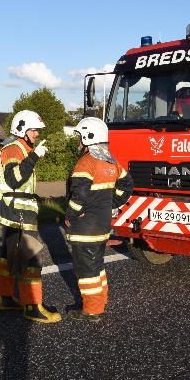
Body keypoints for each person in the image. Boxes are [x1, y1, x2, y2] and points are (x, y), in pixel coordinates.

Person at [0, 109, 61, 323]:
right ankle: (32, 306)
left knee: (8, 257)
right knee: (31, 259)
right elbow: (14, 179)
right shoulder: (14, 149)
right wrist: (34, 157)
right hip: (17, 210)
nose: (37, 134)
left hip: (12, 209)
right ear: (21, 129)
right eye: (34, 130)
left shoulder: (15, 147)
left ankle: (5, 298)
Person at [65, 117, 134, 322]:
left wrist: (70, 215)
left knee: (86, 269)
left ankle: (92, 310)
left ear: (87, 137)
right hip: (103, 225)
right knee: (96, 265)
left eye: (80, 137)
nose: (78, 141)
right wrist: (112, 204)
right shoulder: (111, 161)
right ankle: (100, 301)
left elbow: (80, 195)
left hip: (86, 227)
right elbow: (127, 185)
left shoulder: (86, 162)